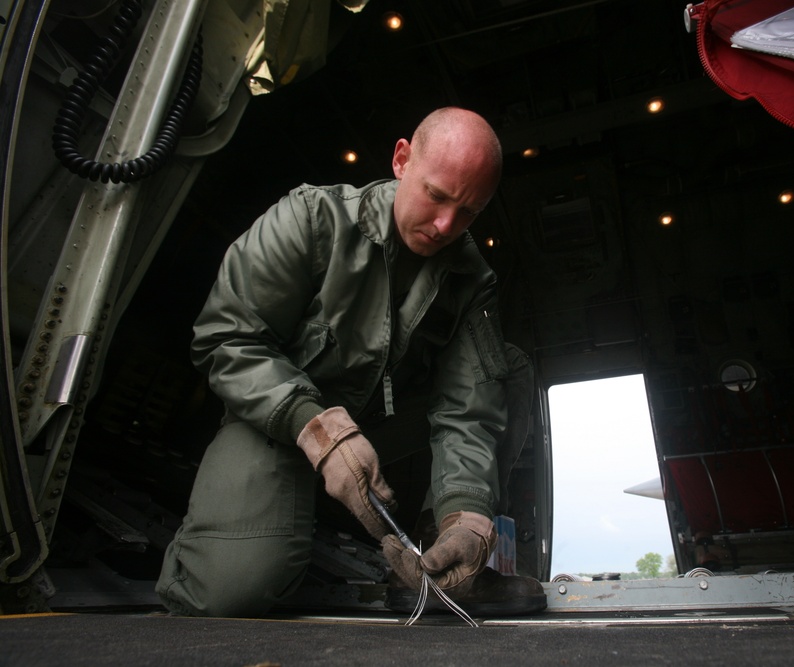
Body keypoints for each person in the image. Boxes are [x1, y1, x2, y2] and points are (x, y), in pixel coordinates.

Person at [156, 107, 547, 617]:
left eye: (470, 211)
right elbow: (225, 338)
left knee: (508, 370)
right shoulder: (310, 220)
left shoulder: (472, 280)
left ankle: (443, 566)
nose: (447, 225)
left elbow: (467, 411)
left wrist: (467, 517)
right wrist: (318, 431)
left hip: (377, 431)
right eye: (437, 195)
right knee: (232, 592)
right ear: (402, 160)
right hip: (276, 427)